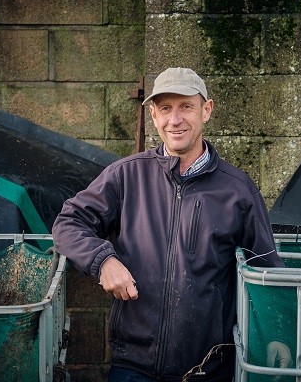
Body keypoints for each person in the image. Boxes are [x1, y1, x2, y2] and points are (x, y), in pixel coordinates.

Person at [52, 67, 284, 381]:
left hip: (207, 369)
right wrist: (103, 261)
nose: (174, 120)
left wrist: (277, 341)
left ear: (207, 110)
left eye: (186, 106)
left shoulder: (237, 191)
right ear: (153, 115)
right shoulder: (127, 175)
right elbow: (68, 222)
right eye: (165, 109)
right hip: (132, 366)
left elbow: (267, 271)